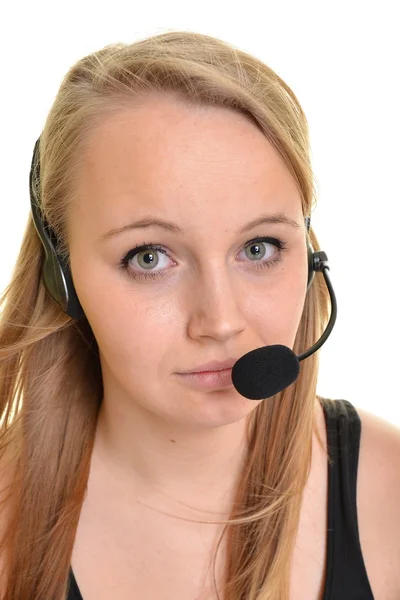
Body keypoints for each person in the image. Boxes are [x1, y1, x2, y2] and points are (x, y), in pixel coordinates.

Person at [0, 30, 399, 600]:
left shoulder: (390, 493)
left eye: (259, 248)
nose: (220, 320)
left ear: (309, 254)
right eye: (150, 257)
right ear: (62, 279)